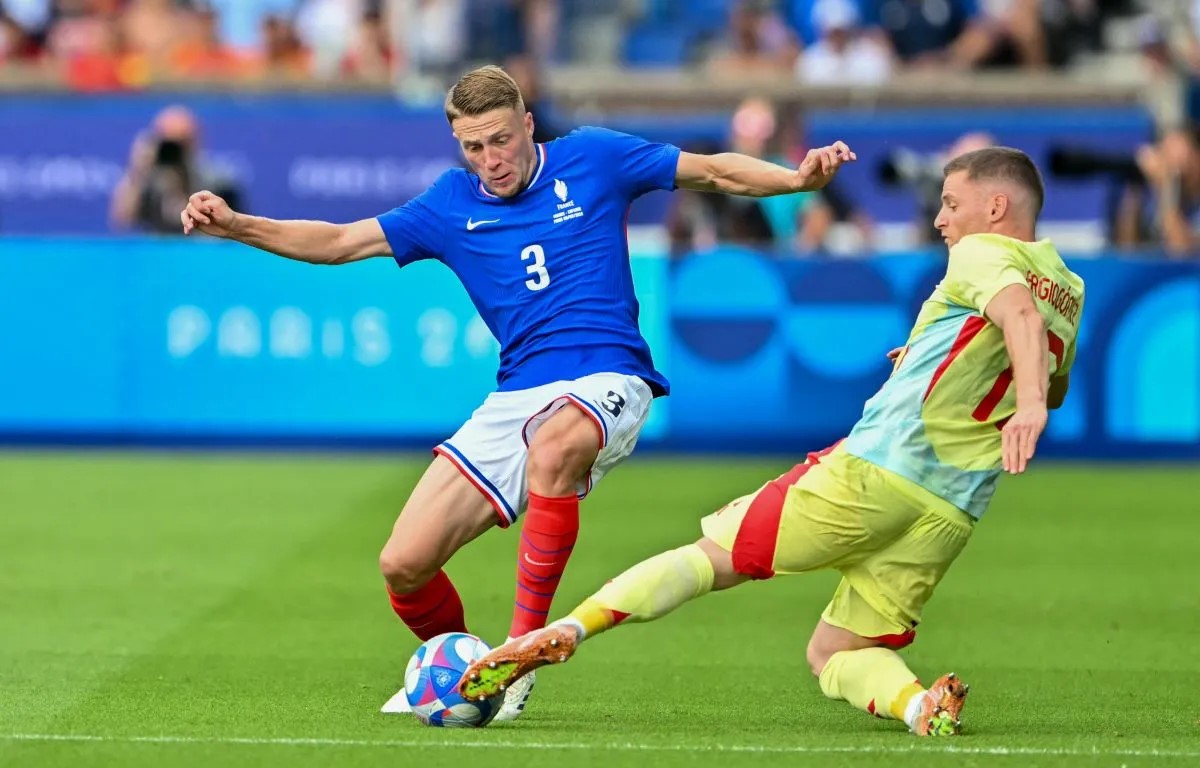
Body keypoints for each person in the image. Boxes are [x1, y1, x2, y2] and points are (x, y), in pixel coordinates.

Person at [178, 64, 856, 721]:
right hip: (516, 396)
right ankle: (465, 675)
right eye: (473, 147)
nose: (490, 160)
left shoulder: (593, 157)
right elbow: (338, 241)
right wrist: (236, 224)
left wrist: (795, 180)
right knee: (404, 564)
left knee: (554, 444)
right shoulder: (450, 204)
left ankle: (520, 654)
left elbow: (712, 170)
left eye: (500, 140)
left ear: (528, 124)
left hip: (608, 375)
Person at [458, 147, 1085, 737]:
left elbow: (1020, 328)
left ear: (995, 207)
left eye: (951, 203)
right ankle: (922, 707)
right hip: (950, 510)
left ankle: (566, 630)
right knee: (834, 651)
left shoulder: (982, 252)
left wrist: (1028, 405)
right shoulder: (1067, 288)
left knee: (710, 558)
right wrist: (948, 363)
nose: (941, 219)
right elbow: (1044, 373)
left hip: (876, 473)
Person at [113, 105, 244, 234]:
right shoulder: (149, 179)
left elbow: (234, 230)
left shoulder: (217, 181)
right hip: (158, 245)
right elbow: (123, 219)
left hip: (200, 245)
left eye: (181, 142)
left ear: (194, 141)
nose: (174, 151)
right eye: (168, 143)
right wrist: (137, 169)